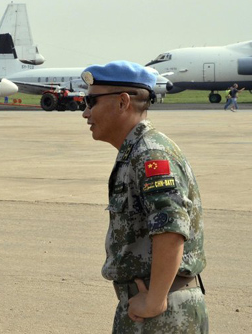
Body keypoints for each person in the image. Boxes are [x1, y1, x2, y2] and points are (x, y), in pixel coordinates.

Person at [80, 61, 208, 333]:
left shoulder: (150, 154)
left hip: (161, 314)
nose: (85, 112)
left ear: (123, 102)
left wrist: (155, 299)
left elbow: (171, 229)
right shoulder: (136, 151)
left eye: (91, 101)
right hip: (150, 305)